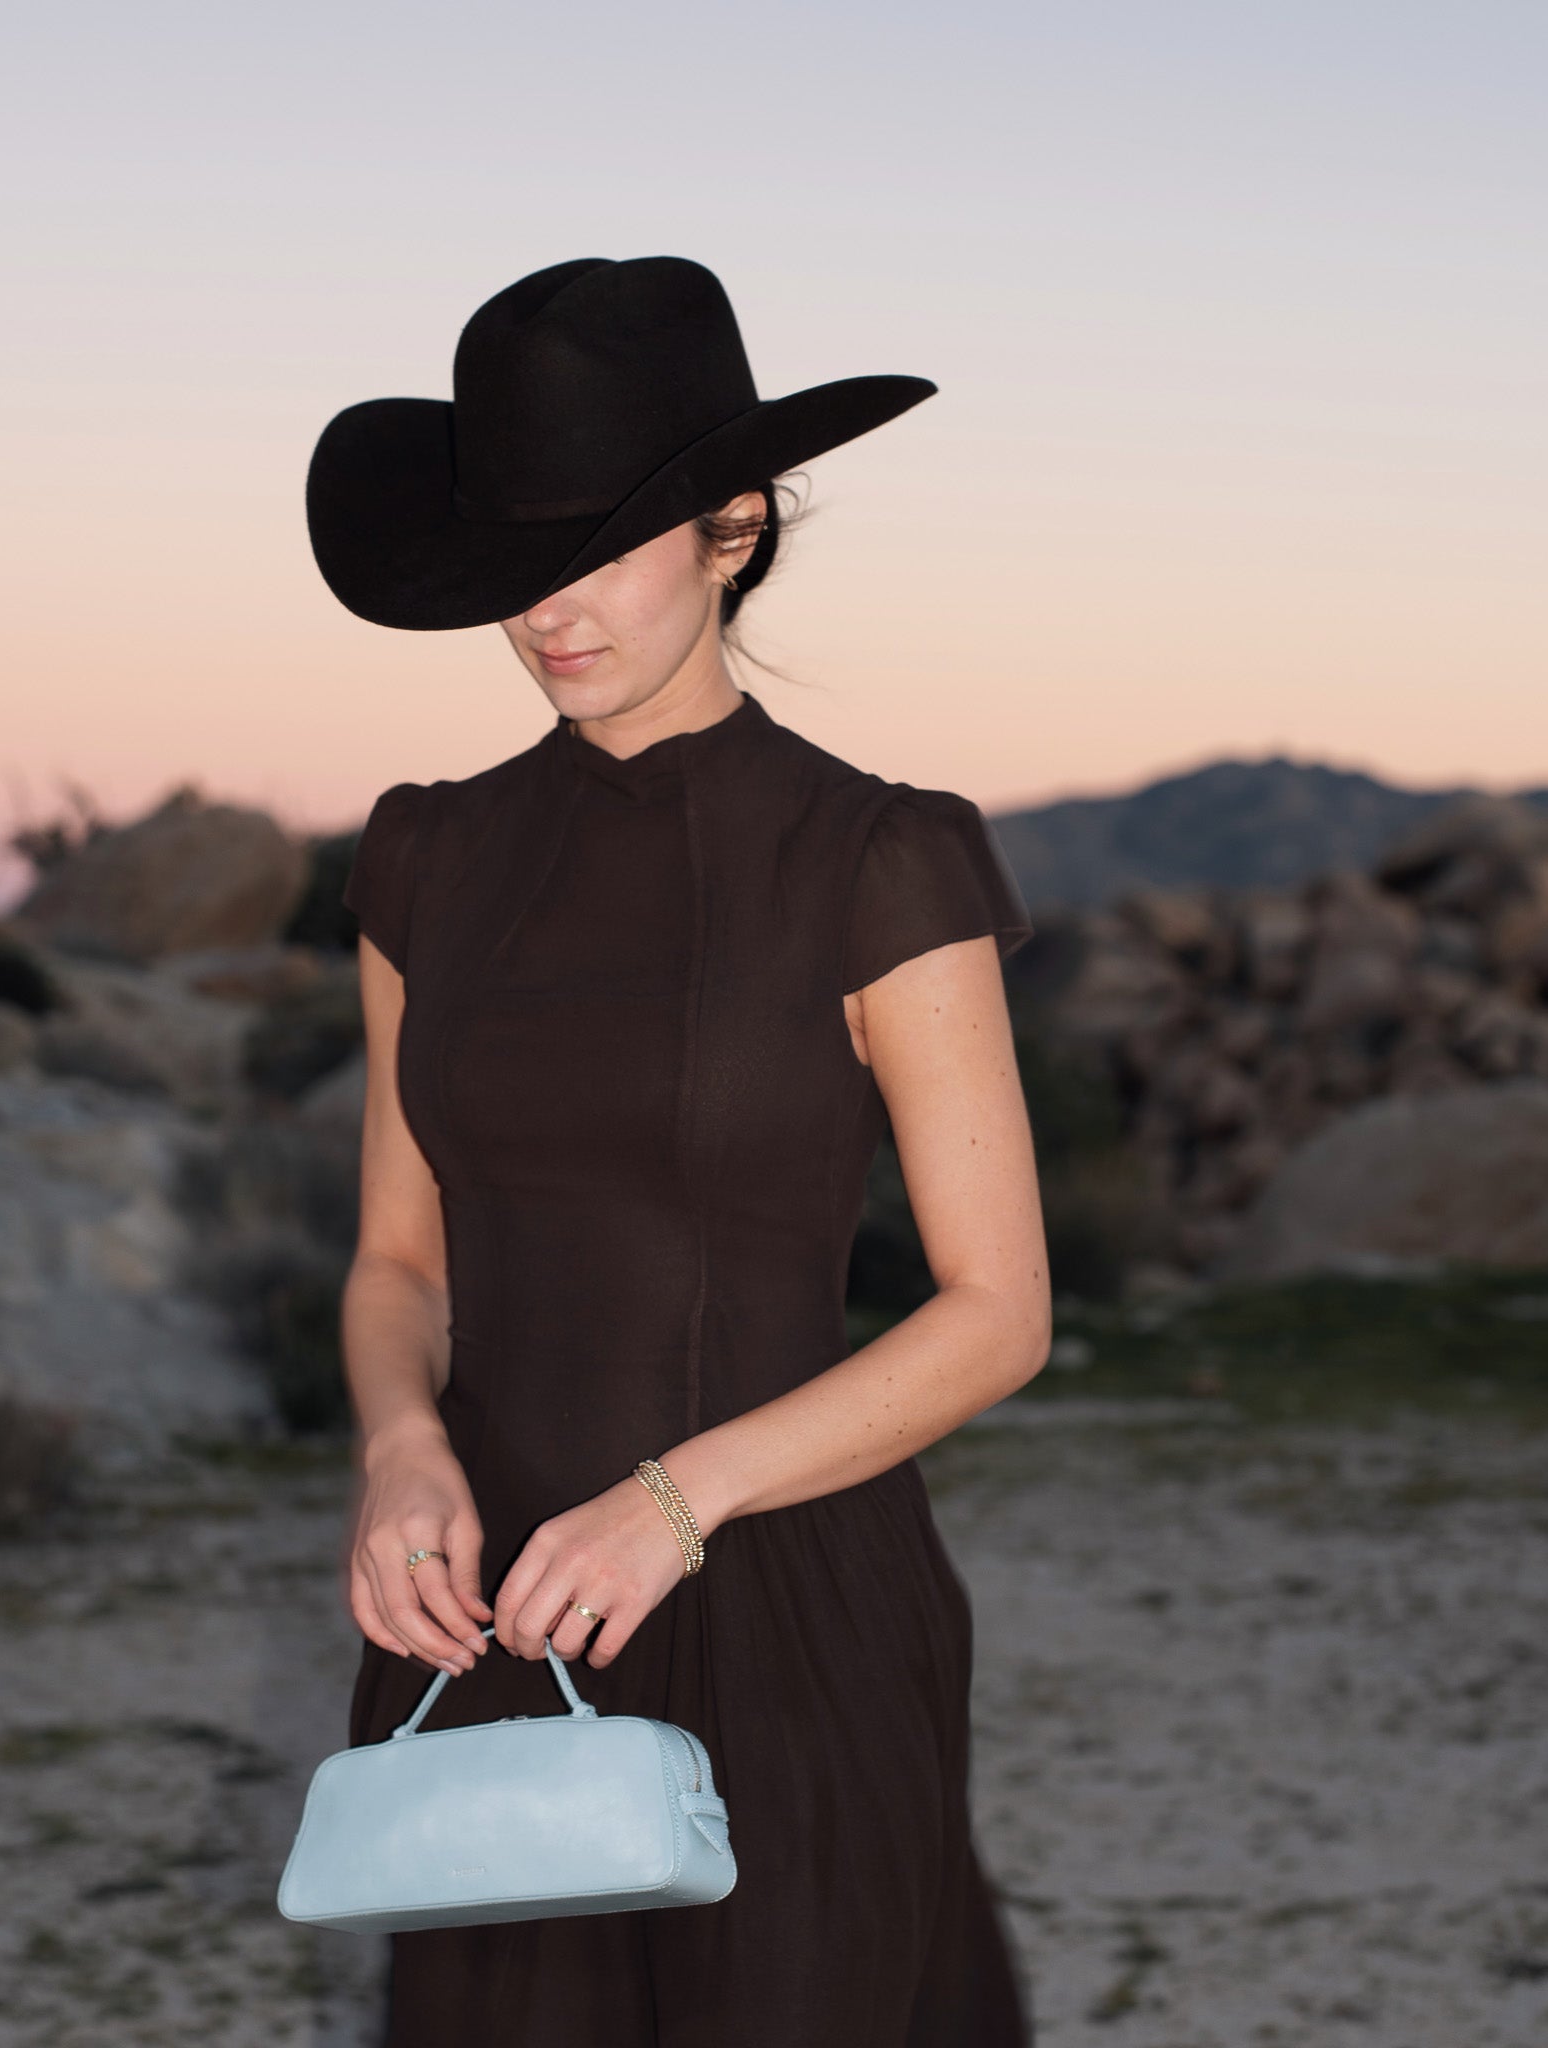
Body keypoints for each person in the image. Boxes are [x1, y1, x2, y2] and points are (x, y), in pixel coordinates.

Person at [307, 255, 1048, 2046]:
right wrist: (400, 1449)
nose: (548, 609)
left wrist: (675, 1502)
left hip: (784, 1594)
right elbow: (399, 1259)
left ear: (734, 527)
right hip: (484, 1612)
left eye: (602, 546)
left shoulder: (878, 859)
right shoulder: (426, 857)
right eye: (516, 557)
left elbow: (998, 1310)